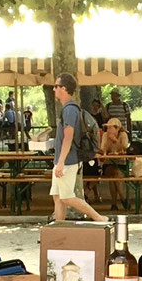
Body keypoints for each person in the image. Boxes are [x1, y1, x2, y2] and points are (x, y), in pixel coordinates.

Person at [49, 71, 102, 223]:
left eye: (56, 86)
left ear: (64, 88)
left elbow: (68, 137)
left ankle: (98, 217)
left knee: (66, 197)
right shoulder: (69, 109)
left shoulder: (70, 109)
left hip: (67, 160)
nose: (54, 89)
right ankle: (58, 228)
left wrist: (60, 162)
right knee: (58, 196)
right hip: (64, 159)